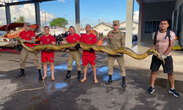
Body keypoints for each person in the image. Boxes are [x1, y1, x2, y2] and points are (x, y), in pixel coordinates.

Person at [147, 19, 180, 97]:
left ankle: (172, 89)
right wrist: (151, 50)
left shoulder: (171, 33)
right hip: (156, 56)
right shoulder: (155, 34)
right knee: (153, 71)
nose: (163, 25)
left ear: (168, 25)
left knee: (170, 73)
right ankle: (152, 87)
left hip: (167, 57)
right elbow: (154, 44)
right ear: (159, 25)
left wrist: (164, 55)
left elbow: (171, 46)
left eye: (165, 24)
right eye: (161, 23)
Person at [106, 20, 126, 88]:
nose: (115, 26)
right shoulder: (109, 33)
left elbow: (123, 44)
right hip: (111, 53)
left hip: (119, 53)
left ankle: (123, 80)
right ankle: (110, 78)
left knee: (122, 67)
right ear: (113, 25)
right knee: (110, 66)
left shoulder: (121, 34)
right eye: (114, 25)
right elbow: (108, 42)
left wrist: (121, 51)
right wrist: (107, 49)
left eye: (116, 25)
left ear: (118, 25)